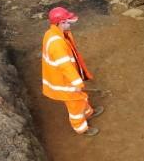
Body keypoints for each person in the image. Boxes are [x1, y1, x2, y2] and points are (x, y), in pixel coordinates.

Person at [41, 7, 103, 136]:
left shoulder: (53, 33)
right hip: (64, 82)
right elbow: (65, 66)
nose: (70, 24)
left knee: (80, 98)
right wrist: (76, 83)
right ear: (60, 22)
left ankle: (88, 112)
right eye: (68, 21)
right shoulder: (57, 44)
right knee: (75, 105)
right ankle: (81, 128)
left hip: (62, 78)